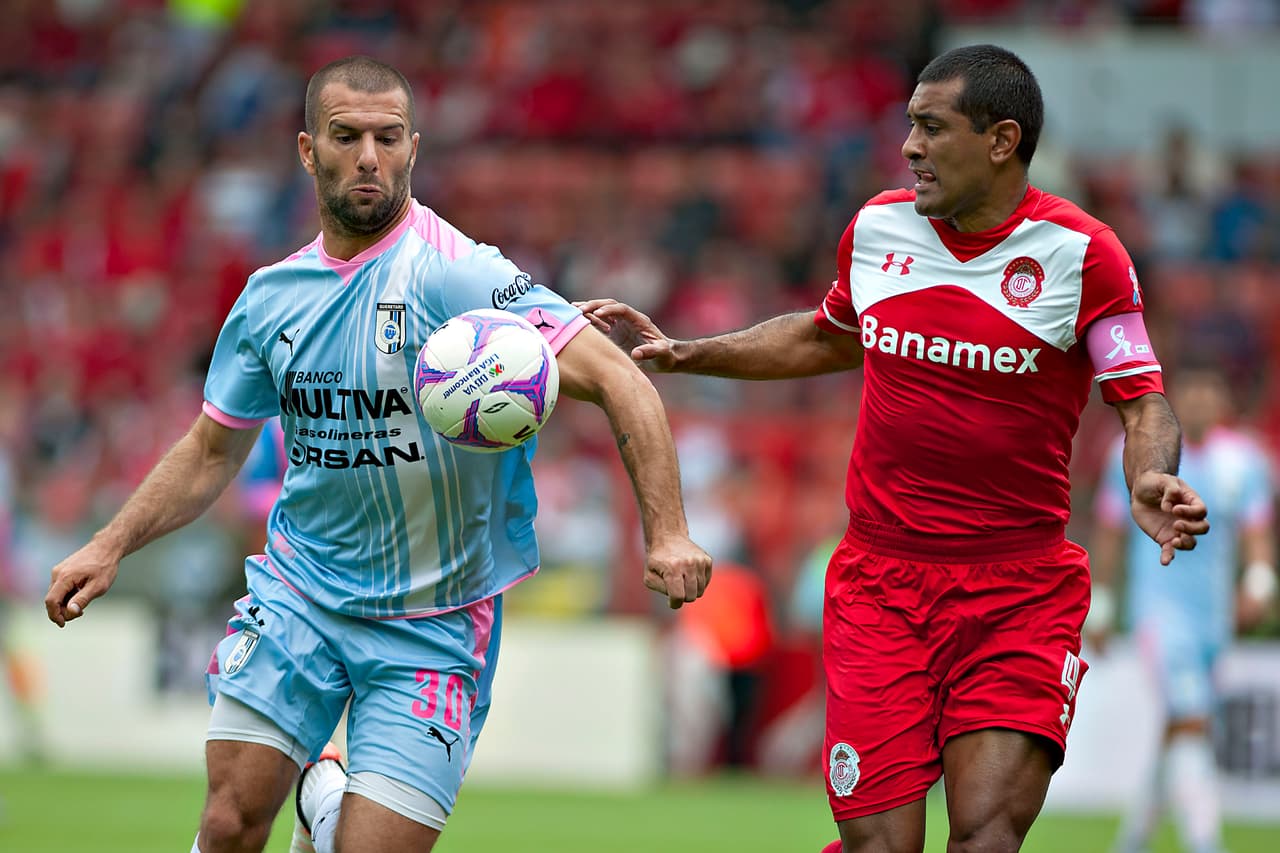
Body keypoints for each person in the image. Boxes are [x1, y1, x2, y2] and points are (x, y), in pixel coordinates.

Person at [43, 55, 712, 853]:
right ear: (306, 149)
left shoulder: (459, 275)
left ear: (413, 149)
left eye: (388, 138)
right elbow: (212, 448)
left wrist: (667, 530)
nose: (369, 156)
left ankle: (323, 802)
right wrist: (109, 542)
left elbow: (618, 377)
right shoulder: (270, 298)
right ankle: (316, 796)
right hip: (302, 595)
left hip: (432, 622)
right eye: (347, 135)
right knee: (226, 823)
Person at [578, 43, 1210, 853]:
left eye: (930, 128)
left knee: (985, 835)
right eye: (909, 126)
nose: (909, 147)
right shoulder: (877, 229)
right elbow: (823, 337)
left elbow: (1142, 399)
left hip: (1018, 591)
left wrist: (1151, 475)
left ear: (1002, 139)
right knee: (881, 844)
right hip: (882, 588)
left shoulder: (1085, 256)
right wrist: (691, 351)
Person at [1089, 365, 1276, 853]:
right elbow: (1109, 531)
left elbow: (1257, 533)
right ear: (1171, 402)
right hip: (1158, 615)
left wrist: (1258, 582)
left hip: (1214, 620)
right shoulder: (1132, 456)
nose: (1196, 401)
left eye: (1207, 391)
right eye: (1187, 392)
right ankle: (1205, 842)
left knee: (1179, 728)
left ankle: (1130, 843)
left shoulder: (1245, 461)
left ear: (1223, 401)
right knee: (1191, 720)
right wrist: (1103, 604)